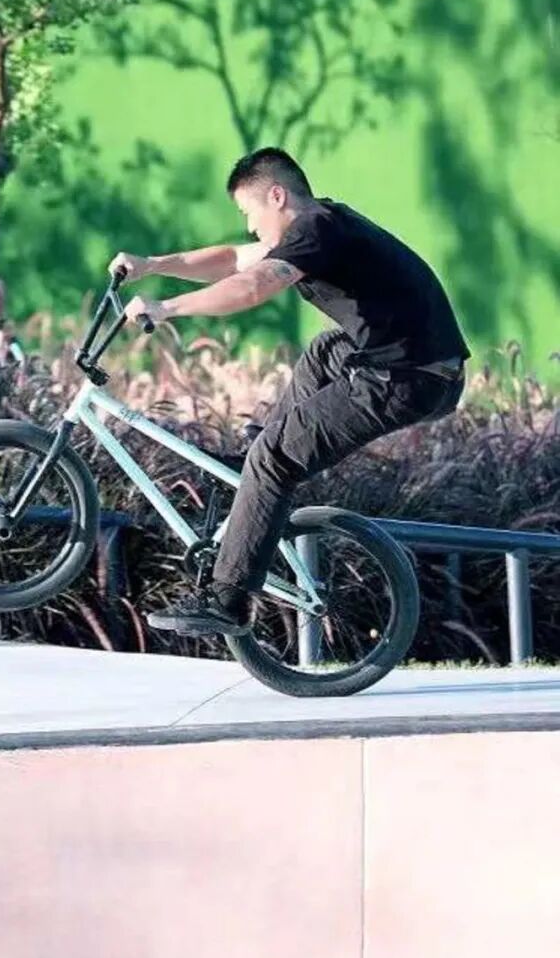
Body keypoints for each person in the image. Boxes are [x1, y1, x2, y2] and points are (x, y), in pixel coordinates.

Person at [108, 147, 470, 636]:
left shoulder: (315, 231)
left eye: (249, 212)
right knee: (325, 351)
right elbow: (232, 260)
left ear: (276, 196)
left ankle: (226, 600)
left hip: (410, 378)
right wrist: (152, 264)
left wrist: (167, 308)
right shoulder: (322, 226)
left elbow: (251, 287)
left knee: (275, 458)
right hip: (417, 367)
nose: (250, 227)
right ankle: (254, 464)